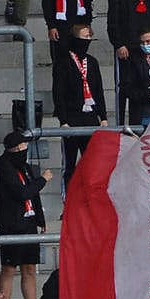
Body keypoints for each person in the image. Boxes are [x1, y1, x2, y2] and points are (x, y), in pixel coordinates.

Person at [0, 131, 52, 299]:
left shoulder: (24, 167)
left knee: (29, 269)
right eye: (23, 146)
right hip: (12, 224)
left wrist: (40, 219)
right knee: (9, 269)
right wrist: (42, 180)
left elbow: (32, 196)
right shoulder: (5, 168)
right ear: (16, 148)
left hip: (29, 222)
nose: (25, 150)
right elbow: (22, 192)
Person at [50, 19, 104, 182]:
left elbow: (98, 91)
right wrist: (63, 120)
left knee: (92, 164)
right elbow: (58, 92)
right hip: (72, 118)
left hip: (90, 117)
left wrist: (104, 117)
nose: (87, 40)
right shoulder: (63, 62)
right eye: (84, 37)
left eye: (89, 37)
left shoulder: (92, 62)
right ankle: (68, 201)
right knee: (70, 166)